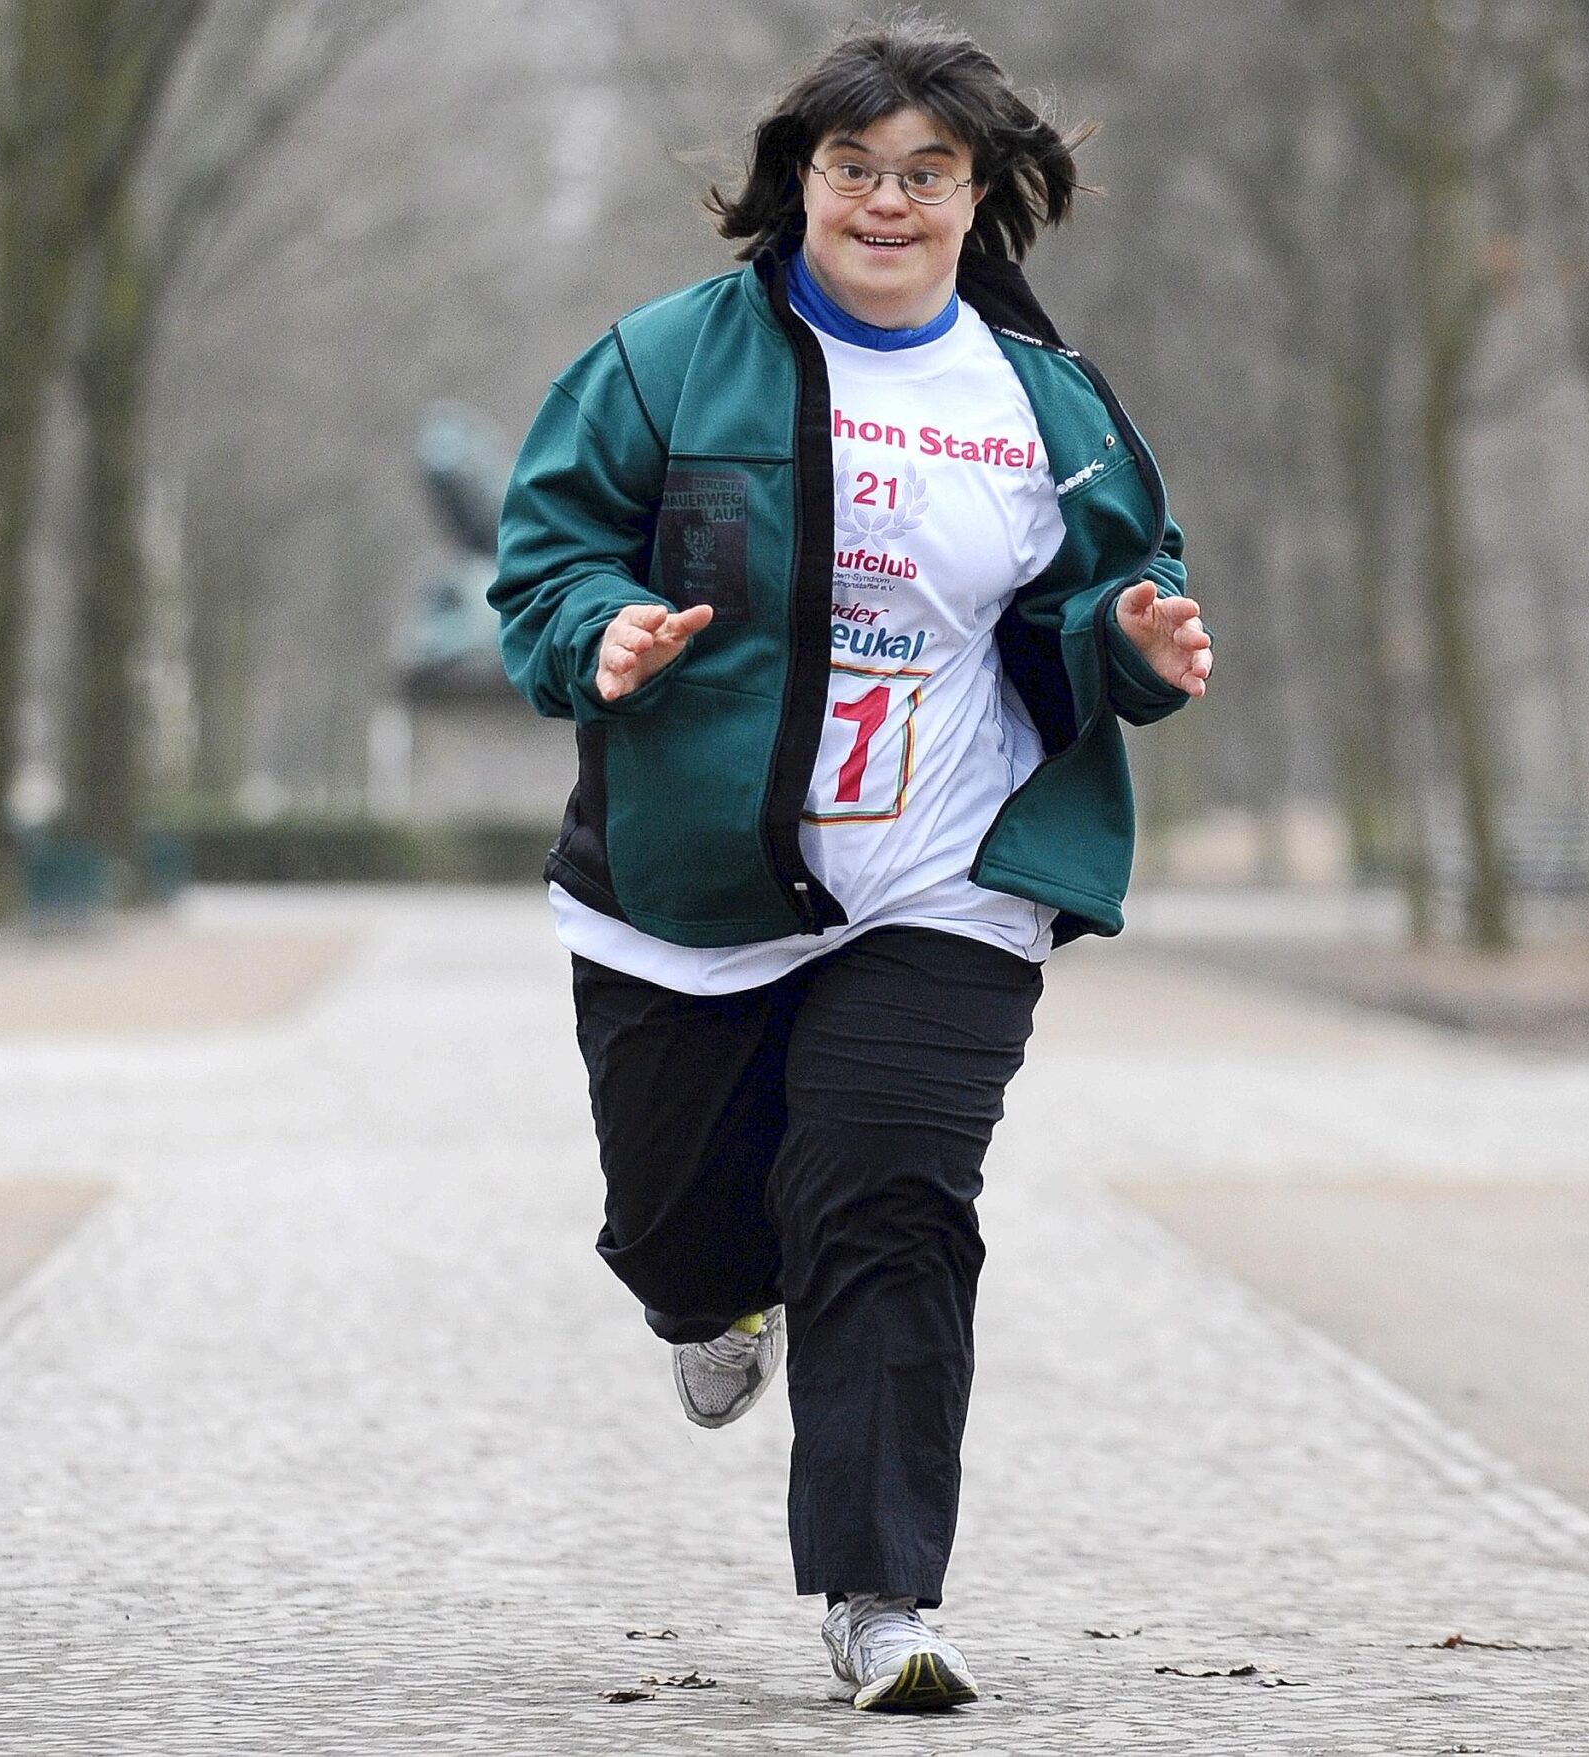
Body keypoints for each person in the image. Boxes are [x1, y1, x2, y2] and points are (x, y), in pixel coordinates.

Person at [490, 18, 1213, 1713]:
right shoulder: (666, 364)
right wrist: (600, 635)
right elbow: (547, 559)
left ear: (982, 197)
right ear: (797, 183)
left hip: (951, 870)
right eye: (854, 171)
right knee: (686, 1226)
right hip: (693, 878)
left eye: (926, 176)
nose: (886, 203)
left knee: (888, 1204)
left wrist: (1131, 637)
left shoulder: (1050, 404)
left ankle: (886, 1597)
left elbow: (1107, 594)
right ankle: (705, 1297)